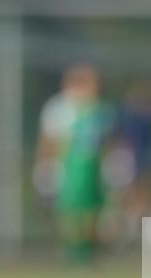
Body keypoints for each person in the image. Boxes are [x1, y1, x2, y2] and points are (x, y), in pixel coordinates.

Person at [35, 64, 114, 265]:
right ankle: (72, 253)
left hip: (93, 169)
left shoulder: (100, 109)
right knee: (69, 211)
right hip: (69, 169)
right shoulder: (60, 108)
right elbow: (48, 140)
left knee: (92, 212)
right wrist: (45, 165)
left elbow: (107, 141)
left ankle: (87, 252)